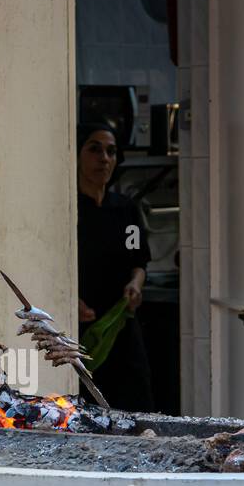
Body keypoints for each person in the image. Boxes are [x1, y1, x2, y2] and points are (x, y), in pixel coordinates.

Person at [76, 121, 155, 412]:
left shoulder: (125, 209)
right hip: (82, 326)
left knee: (136, 402)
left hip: (121, 321)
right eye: (94, 149)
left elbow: (138, 261)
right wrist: (68, 301)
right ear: (78, 155)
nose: (104, 158)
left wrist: (136, 284)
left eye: (111, 151)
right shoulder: (69, 209)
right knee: (88, 405)